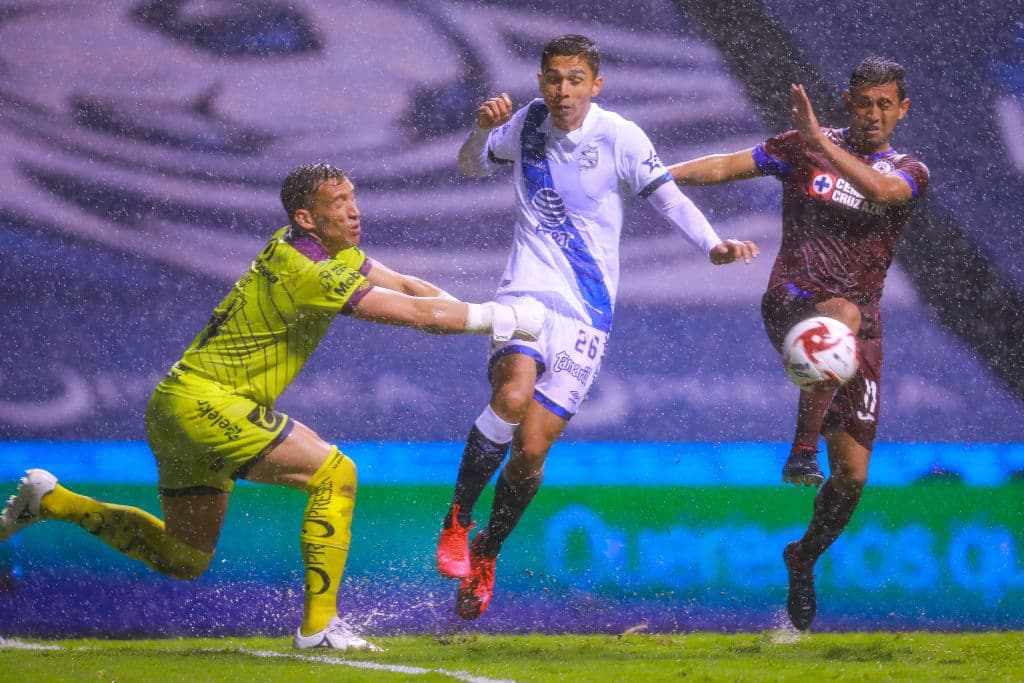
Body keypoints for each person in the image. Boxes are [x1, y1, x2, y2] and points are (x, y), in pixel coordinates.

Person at [0, 163, 544, 650]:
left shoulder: (305, 248)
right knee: (336, 473)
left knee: (185, 558)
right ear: (307, 217)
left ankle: (53, 502)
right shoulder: (313, 273)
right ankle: (319, 628)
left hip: (177, 405)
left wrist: (489, 325)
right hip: (210, 403)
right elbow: (416, 316)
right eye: (339, 205)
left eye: (353, 199)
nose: (354, 212)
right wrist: (509, 320)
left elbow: (408, 286)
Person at [435, 34, 759, 620]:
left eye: (575, 79)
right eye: (553, 78)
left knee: (531, 453)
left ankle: (487, 550)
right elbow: (468, 164)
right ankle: (458, 520)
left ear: (596, 85)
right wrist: (481, 130)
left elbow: (668, 199)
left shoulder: (621, 136)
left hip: (588, 312)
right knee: (511, 394)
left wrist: (713, 246)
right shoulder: (527, 124)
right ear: (541, 83)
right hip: (527, 291)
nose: (563, 91)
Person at [668, 56, 929, 630]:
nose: (874, 113)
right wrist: (660, 176)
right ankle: (801, 448)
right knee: (841, 312)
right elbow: (729, 164)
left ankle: (803, 556)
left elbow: (881, 190)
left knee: (853, 478)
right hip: (793, 302)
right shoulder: (801, 146)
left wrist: (820, 142)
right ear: (848, 100)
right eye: (865, 102)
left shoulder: (910, 169)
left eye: (886, 104)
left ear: (902, 109)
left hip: (861, 333)